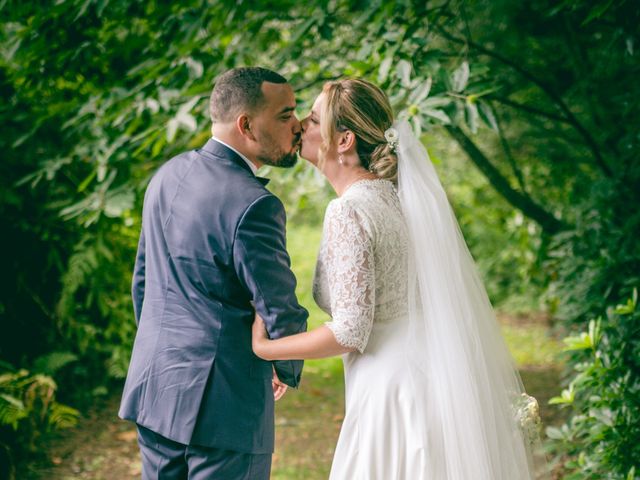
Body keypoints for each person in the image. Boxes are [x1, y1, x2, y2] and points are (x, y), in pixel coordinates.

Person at [252, 79, 546, 479]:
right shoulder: (394, 199)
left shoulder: (348, 211)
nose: (302, 124)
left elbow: (351, 331)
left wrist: (268, 349)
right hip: (429, 376)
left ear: (344, 141)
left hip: (390, 391)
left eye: (315, 118)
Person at [119, 67, 308, 480]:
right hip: (225, 406)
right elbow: (277, 307)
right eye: (285, 115)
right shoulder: (255, 204)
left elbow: (144, 282)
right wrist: (285, 365)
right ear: (246, 124)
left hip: (155, 386)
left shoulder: (167, 175)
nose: (299, 126)